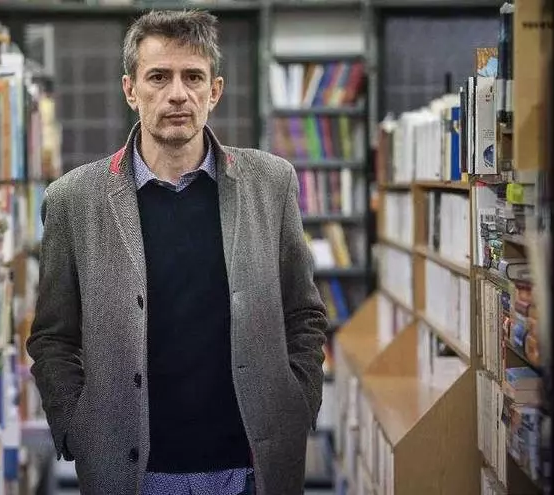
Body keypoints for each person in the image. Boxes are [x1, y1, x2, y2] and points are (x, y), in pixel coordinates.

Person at [27, 9, 328, 495]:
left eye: (193, 77)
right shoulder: (73, 200)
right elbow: (52, 337)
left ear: (215, 90)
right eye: (158, 77)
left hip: (251, 469)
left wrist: (300, 401)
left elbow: (304, 313)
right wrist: (74, 425)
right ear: (130, 90)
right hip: (129, 474)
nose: (177, 94)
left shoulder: (271, 184)